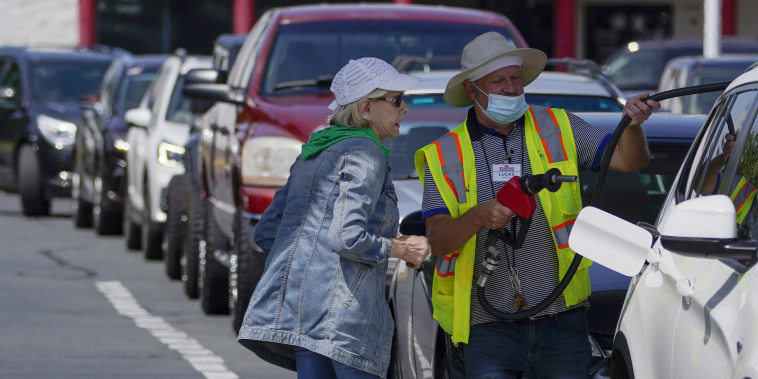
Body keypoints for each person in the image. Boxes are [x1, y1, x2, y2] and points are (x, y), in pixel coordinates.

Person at [413, 32, 659, 377]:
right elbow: (438, 240)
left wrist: (631, 126)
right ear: (472, 90)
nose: (512, 88)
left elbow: (630, 160)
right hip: (487, 329)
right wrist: (477, 217)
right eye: (498, 81)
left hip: (562, 323)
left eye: (516, 78)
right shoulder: (444, 153)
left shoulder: (558, 127)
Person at [238, 57, 432, 378]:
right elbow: (347, 237)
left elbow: (268, 231)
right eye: (397, 100)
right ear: (366, 108)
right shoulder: (366, 153)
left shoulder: (315, 150)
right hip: (346, 318)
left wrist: (313, 269)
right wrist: (401, 248)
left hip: (302, 314)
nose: (405, 108)